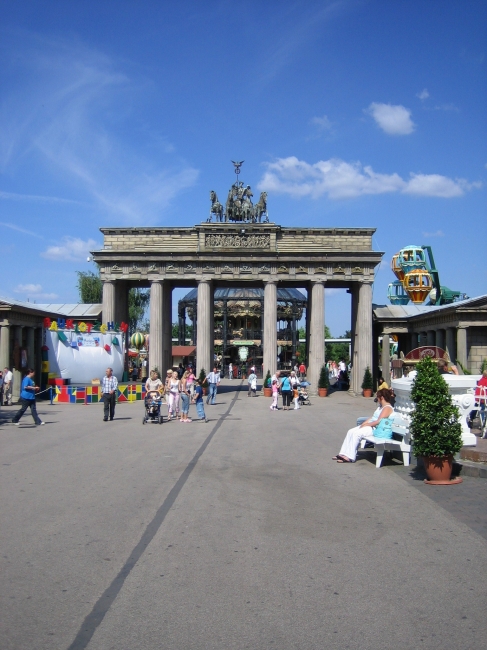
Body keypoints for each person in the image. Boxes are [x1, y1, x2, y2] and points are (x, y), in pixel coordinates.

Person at [333, 388, 395, 463]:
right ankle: (343, 453)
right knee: (350, 431)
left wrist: (367, 425)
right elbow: (372, 417)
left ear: (381, 397)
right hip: (371, 426)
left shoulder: (387, 408)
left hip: (376, 428)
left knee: (357, 434)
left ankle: (349, 457)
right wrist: (364, 424)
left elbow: (378, 421)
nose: (377, 399)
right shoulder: (380, 407)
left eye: (377, 397)